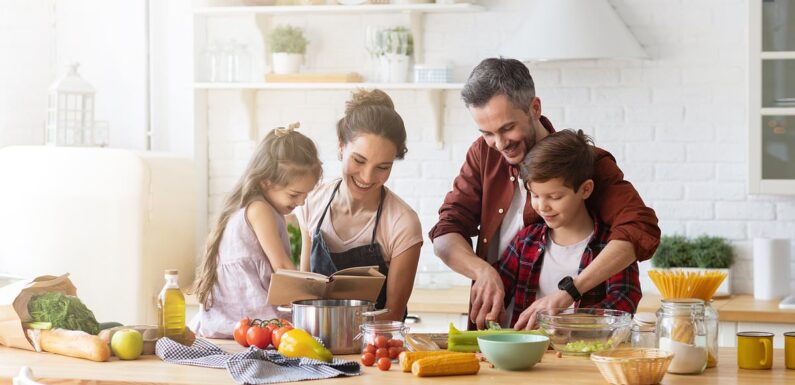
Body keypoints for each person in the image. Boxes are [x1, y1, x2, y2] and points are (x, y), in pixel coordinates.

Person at [429, 58, 660, 330]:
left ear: (535, 108)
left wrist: (570, 293)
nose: (499, 144)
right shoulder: (483, 153)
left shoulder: (584, 162)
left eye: (507, 128)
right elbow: (445, 232)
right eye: (487, 133)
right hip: (503, 333)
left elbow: (639, 228)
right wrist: (482, 271)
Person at [494, 129, 641, 330]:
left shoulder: (611, 247)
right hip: (527, 356)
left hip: (584, 356)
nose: (542, 206)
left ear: (585, 189)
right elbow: (498, 292)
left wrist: (562, 322)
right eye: (535, 195)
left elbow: (624, 303)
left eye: (554, 197)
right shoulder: (525, 241)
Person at [298, 89, 423, 321]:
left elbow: (393, 315)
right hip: (314, 347)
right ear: (341, 146)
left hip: (375, 349)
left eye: (383, 167)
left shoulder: (402, 222)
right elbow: (304, 296)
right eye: (359, 160)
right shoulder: (312, 202)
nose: (367, 177)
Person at [189, 123, 322, 338]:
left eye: (306, 195)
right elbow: (281, 266)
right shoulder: (260, 210)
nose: (301, 201)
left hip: (234, 319)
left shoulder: (256, 206)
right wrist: (312, 296)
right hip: (247, 317)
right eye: (294, 194)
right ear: (266, 183)